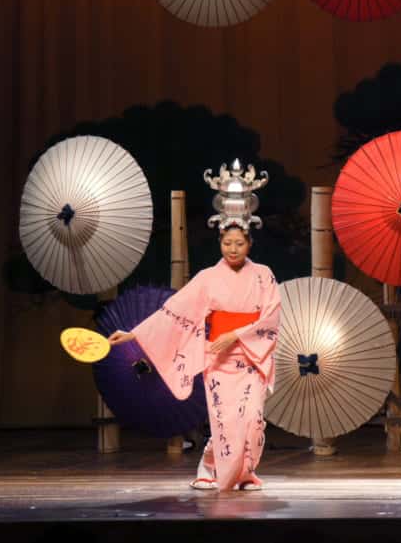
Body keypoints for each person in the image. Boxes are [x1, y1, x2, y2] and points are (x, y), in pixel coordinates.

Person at [108, 160, 280, 492]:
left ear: (250, 244)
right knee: (224, 420)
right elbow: (175, 313)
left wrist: (236, 335)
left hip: (251, 358)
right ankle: (209, 466)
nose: (232, 249)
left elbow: (271, 319)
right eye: (227, 243)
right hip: (219, 359)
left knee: (251, 419)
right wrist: (134, 334)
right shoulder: (207, 278)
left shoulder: (264, 275)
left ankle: (245, 473)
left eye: (239, 244)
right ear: (220, 242)